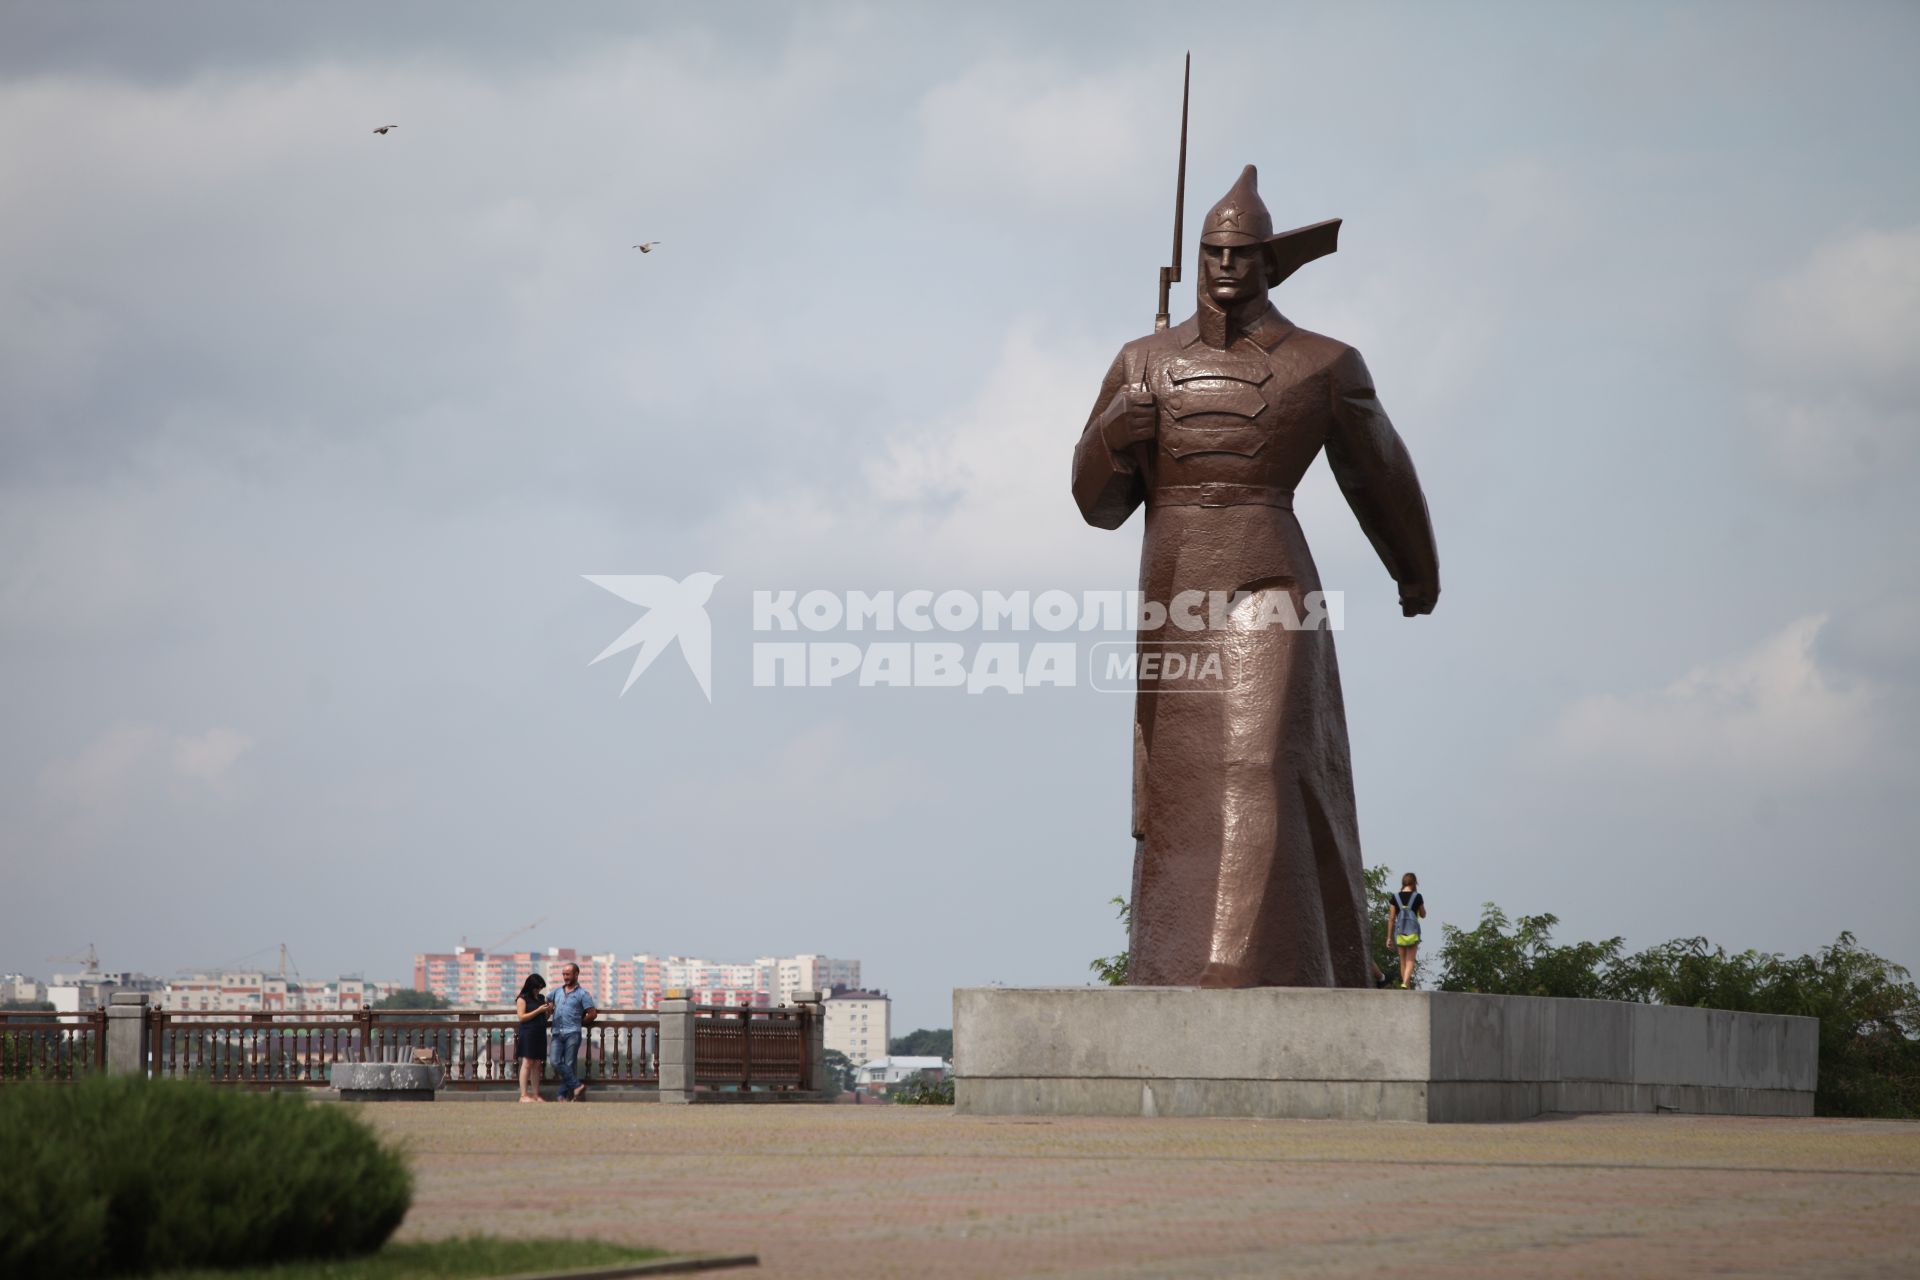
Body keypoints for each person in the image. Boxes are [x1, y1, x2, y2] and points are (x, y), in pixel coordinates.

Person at [1071, 164, 1439, 989]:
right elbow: (1097, 505)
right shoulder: (1143, 363)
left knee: (1260, 758)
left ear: (1273, 260)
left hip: (1268, 574)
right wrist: (1112, 434)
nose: (1225, 266)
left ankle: (1231, 966)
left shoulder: (1323, 364)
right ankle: (1182, 962)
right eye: (1212, 251)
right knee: (1178, 785)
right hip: (1173, 582)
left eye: (1241, 252)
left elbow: (1380, 474)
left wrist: (1415, 570)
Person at [547, 962, 598, 1101]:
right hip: (557, 1032)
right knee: (554, 1061)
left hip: (573, 1033)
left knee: (569, 1064)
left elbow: (592, 1014)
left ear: (576, 974)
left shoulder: (583, 994)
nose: (565, 977)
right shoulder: (556, 992)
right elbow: (546, 1002)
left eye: (568, 974)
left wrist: (579, 1022)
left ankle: (562, 1096)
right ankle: (577, 1086)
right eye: (564, 974)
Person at [513, 974, 553, 1103]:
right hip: (528, 1032)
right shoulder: (522, 999)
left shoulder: (541, 998)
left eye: (540, 988)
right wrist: (539, 1010)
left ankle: (536, 1094)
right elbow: (522, 1017)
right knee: (527, 1062)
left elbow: (544, 1018)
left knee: (537, 1064)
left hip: (540, 1032)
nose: (539, 990)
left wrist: (549, 1011)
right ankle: (523, 1095)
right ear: (530, 986)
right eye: (537, 988)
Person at [1387, 873, 1426, 989]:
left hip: (1400, 931)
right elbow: (1423, 914)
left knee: (1402, 960)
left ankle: (1407, 987)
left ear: (1403, 883)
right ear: (1414, 883)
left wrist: (1388, 937)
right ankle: (1405, 982)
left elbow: (1391, 918)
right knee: (1410, 960)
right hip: (1413, 931)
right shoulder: (1417, 897)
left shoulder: (1395, 897)